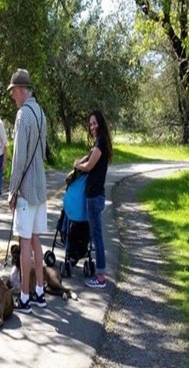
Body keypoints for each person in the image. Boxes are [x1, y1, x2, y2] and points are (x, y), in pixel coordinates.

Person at [7, 69, 48, 313]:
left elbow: (19, 158)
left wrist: (12, 190)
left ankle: (24, 297)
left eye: (14, 92)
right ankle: (40, 291)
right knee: (35, 241)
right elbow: (42, 151)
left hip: (25, 188)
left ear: (21, 90)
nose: (13, 97)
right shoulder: (41, 113)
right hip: (40, 185)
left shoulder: (23, 115)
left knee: (24, 243)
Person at [74, 109, 113, 288]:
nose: (92, 127)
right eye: (90, 124)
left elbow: (89, 166)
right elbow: (90, 157)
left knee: (97, 236)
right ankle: (100, 273)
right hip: (95, 194)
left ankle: (101, 277)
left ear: (101, 123)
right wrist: (82, 161)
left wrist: (78, 165)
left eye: (94, 123)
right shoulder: (99, 143)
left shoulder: (101, 142)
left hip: (94, 195)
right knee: (95, 234)